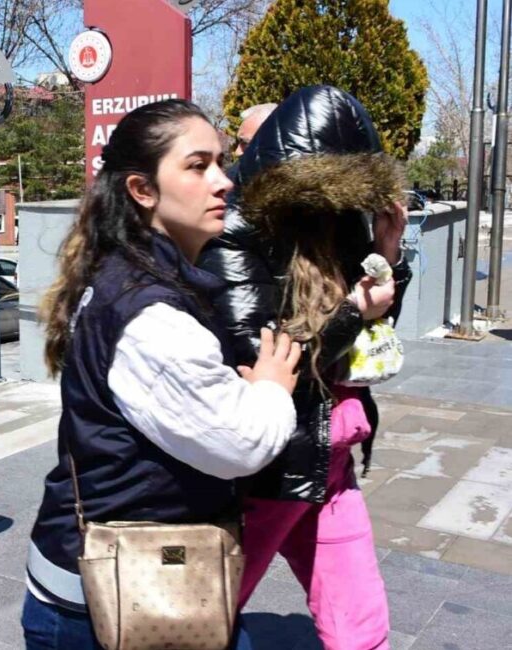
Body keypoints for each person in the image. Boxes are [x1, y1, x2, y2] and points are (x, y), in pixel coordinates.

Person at [22, 99, 302, 649]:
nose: (223, 181)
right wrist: (271, 386)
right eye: (197, 166)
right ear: (142, 190)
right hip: (118, 599)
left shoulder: (135, 276)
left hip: (117, 582)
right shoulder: (151, 316)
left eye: (221, 162)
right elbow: (242, 443)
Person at [199, 85, 411, 650]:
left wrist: (389, 257)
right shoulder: (235, 233)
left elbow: (374, 336)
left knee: (361, 628)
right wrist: (353, 311)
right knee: (201, 617)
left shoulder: (337, 225)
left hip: (330, 460)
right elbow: (262, 354)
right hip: (267, 472)